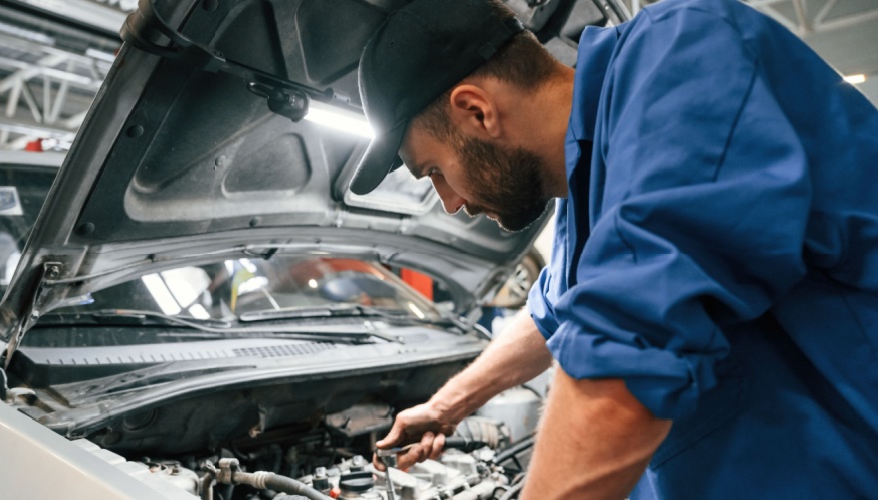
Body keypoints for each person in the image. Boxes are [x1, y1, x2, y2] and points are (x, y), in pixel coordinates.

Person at [347, 0, 878, 497]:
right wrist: (448, 404)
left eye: (435, 172)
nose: (450, 204)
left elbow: (630, 342)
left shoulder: (681, 58)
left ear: (478, 111)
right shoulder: (588, 183)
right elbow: (553, 311)